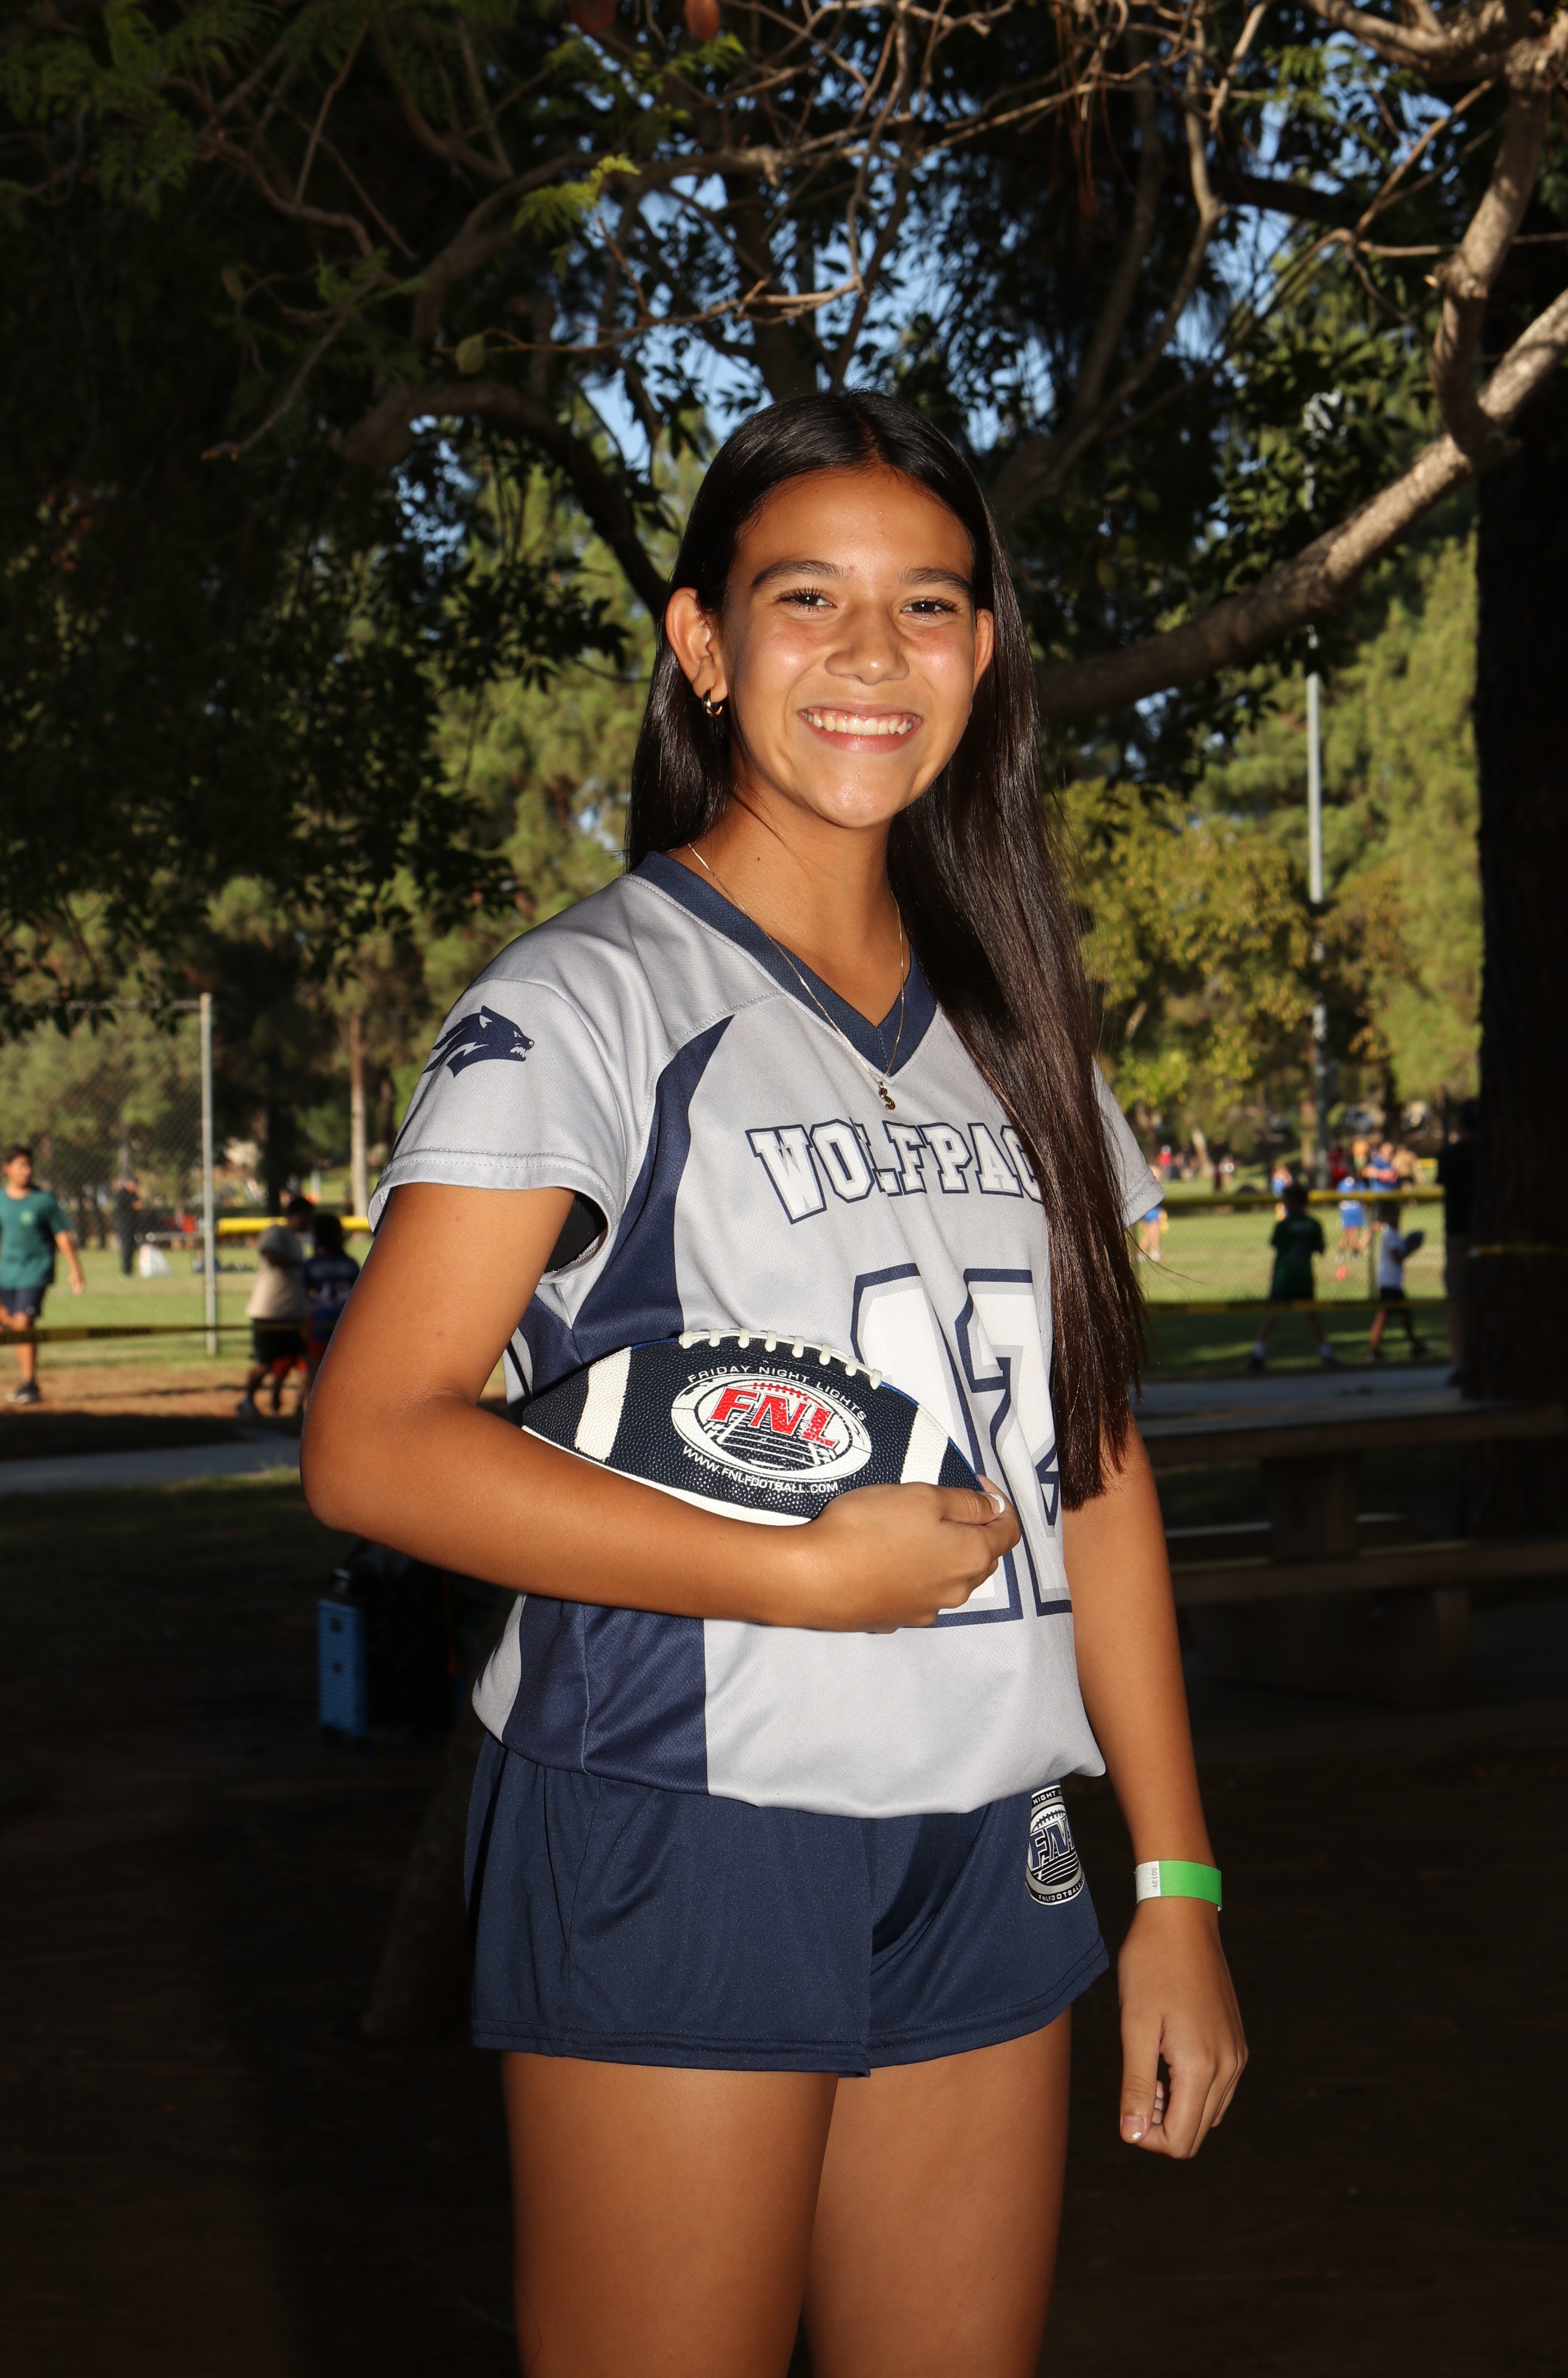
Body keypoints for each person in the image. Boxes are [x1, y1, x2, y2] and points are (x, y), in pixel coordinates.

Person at [303, 392, 1244, 2378]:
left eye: (929, 605)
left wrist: (1173, 1879)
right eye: (807, 598)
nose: (872, 654)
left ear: (983, 654)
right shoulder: (586, 1001)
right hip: (680, 1812)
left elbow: (1091, 1475)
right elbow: (374, 1446)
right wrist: (798, 1578)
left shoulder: (1022, 1034)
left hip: (990, 1820)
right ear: (705, 642)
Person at [1, 1144, 87, 1406]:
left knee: (23, 1323)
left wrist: (76, 1269)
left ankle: (30, 1383)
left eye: (29, 1166)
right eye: (21, 1166)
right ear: (7, 1169)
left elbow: (62, 1235)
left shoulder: (43, 1200)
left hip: (36, 1271)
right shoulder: (1, 1200)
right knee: (14, 1325)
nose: (27, 1171)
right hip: (7, 1273)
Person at [237, 1194, 312, 1419]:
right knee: (266, 1362)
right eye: (308, 1216)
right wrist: (303, 1265)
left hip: (294, 1312)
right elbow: (270, 1255)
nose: (310, 1221)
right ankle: (248, 1400)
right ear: (298, 1215)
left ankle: (302, 1409)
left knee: (305, 1360)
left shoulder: (297, 1241)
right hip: (270, 1311)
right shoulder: (275, 1232)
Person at [1247, 1181, 1335, 1372]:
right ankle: (1326, 1354)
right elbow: (1320, 1249)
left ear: (1296, 1202)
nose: (1285, 1204)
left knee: (1273, 1315)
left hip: (1284, 1277)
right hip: (1304, 1276)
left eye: (1287, 1200)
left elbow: (1276, 1245)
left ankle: (1258, 1354)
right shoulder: (1314, 1224)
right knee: (1313, 1316)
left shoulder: (1284, 1225)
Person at [1437, 1099, 1477, 1384]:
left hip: (1459, 1235)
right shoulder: (1495, 1154)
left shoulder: (1448, 1156)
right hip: (1491, 1236)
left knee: (1458, 1302)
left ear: (1461, 1125)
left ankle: (1459, 1364)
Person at [301, 1211, 361, 1383]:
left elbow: (304, 1294)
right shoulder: (350, 1264)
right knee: (345, 1375)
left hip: (320, 1321)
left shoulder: (312, 1264)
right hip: (345, 1322)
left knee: (315, 1377)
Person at [1369, 1199, 1428, 1362]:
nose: (1398, 1217)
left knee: (1405, 1314)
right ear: (1387, 1217)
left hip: (1392, 1281)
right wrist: (1412, 1248)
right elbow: (1397, 1258)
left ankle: (1416, 1346)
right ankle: (1373, 1350)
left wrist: (1409, 1245)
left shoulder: (1394, 1234)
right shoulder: (1390, 1234)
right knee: (1384, 1316)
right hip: (1390, 1282)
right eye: (1394, 1214)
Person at [1335, 1173, 1367, 1280]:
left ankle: (1342, 1254)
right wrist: (1364, 1212)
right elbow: (1363, 1201)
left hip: (1346, 1211)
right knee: (1353, 1232)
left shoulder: (1342, 1184)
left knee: (1347, 1233)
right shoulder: (1360, 1184)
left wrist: (1341, 1213)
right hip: (1355, 1210)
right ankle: (1353, 1253)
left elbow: (1339, 1200)